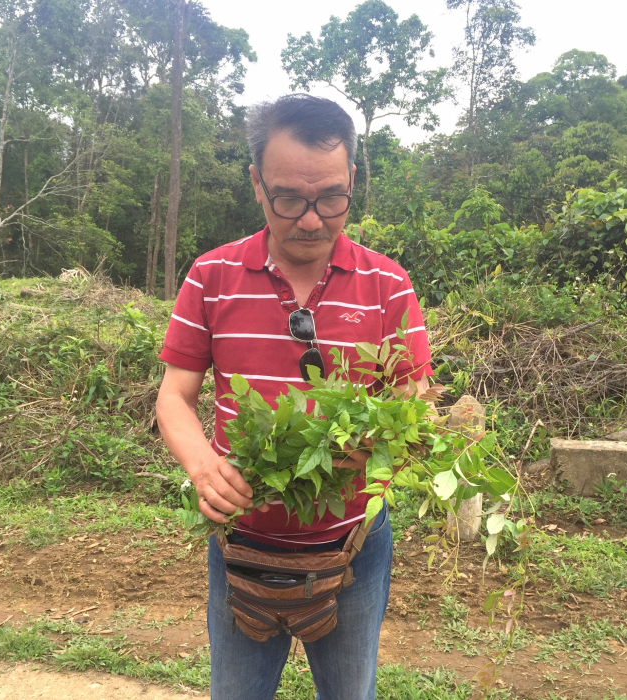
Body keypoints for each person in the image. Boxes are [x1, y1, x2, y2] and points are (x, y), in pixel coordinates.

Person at [156, 94, 433, 700]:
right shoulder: (211, 276)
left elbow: (418, 403)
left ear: (353, 179)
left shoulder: (388, 285)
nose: (311, 220)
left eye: (331, 197)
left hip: (354, 546)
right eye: (289, 198)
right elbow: (174, 395)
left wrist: (385, 445)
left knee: (349, 692)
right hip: (242, 540)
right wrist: (203, 466)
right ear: (257, 183)